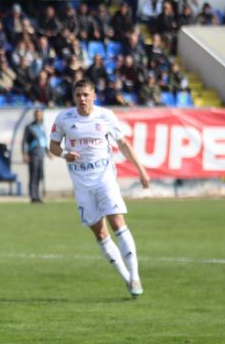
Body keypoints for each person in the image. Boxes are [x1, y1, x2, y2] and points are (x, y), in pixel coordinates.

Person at [49, 80, 152, 297]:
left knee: (117, 222)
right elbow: (53, 145)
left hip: (105, 179)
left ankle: (135, 276)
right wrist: (64, 154)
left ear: (94, 96)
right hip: (81, 185)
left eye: (86, 95)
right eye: (78, 95)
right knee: (101, 233)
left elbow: (123, 144)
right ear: (74, 97)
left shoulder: (106, 116)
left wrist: (141, 170)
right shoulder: (64, 118)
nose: (82, 99)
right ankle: (126, 278)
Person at [22, 107, 49, 203]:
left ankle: (37, 196)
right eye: (37, 115)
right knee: (33, 175)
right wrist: (24, 154)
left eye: (40, 115)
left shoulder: (42, 126)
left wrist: (48, 152)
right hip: (33, 153)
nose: (39, 116)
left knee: (39, 175)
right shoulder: (30, 127)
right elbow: (24, 141)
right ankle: (33, 196)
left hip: (41, 153)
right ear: (34, 116)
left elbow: (43, 141)